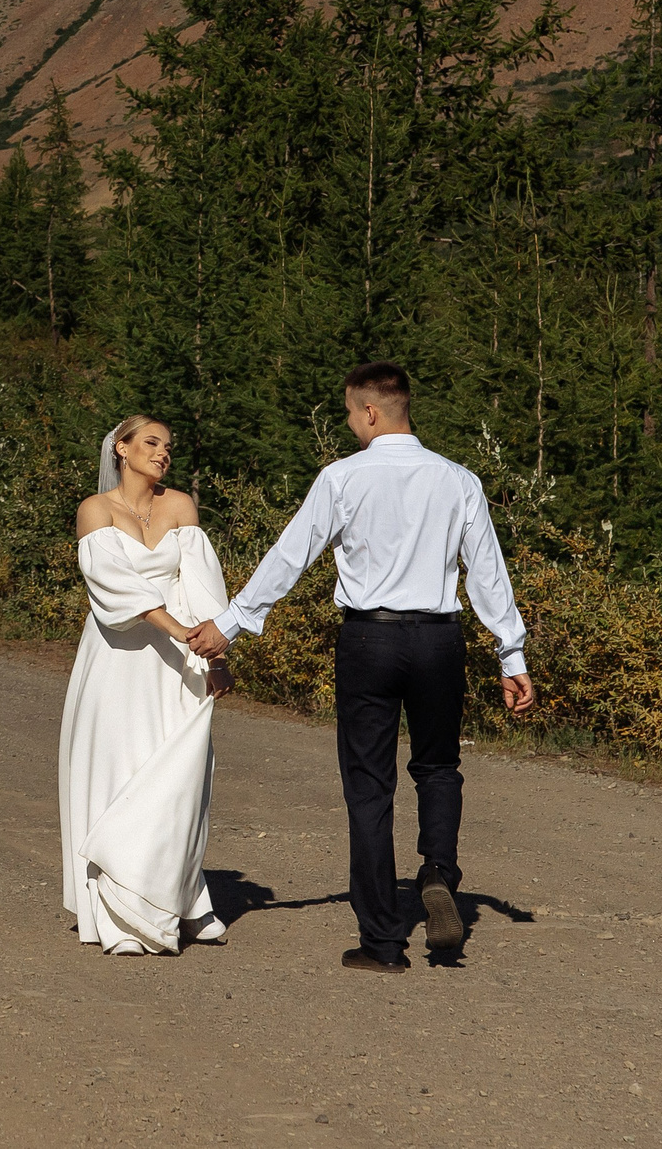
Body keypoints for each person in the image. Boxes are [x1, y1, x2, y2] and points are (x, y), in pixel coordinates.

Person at [183, 363, 534, 973]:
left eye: (349, 413)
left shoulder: (343, 477)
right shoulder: (458, 479)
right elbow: (487, 573)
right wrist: (512, 654)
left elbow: (291, 555)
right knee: (438, 767)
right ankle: (437, 872)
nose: (350, 424)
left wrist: (231, 624)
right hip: (439, 640)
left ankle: (383, 943)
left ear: (371, 411)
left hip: (370, 639)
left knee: (370, 786)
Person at [58, 415, 235, 955]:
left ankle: (179, 899)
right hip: (118, 658)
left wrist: (216, 653)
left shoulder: (179, 506)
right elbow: (114, 585)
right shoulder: (96, 510)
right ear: (121, 448)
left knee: (181, 774)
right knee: (119, 771)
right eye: (151, 443)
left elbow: (202, 584)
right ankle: (119, 915)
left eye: (168, 446)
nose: (163, 453)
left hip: (177, 663)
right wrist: (180, 631)